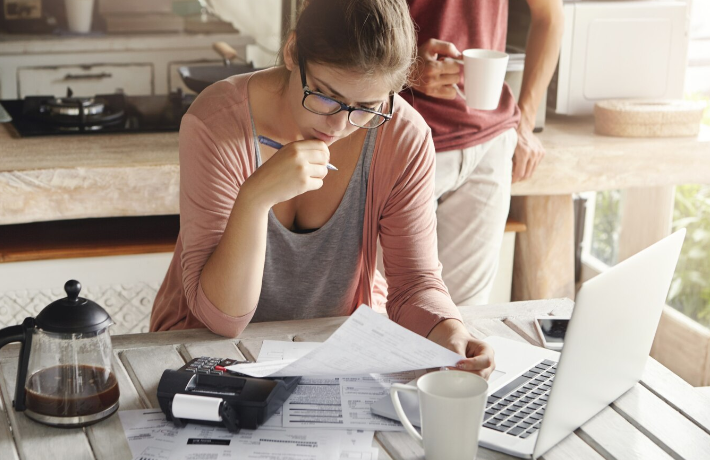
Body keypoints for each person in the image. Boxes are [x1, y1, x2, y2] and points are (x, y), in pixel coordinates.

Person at [150, 0, 494, 378]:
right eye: (326, 96)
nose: (339, 125)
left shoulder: (402, 137)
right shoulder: (215, 122)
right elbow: (222, 318)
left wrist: (450, 331)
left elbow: (414, 283)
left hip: (334, 354)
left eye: (366, 107)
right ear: (293, 51)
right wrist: (255, 198)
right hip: (201, 351)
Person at [402, 0, 564, 306]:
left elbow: (550, 16)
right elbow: (335, 23)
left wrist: (525, 122)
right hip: (401, 140)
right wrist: (403, 69)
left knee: (467, 323)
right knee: (388, 310)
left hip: (488, 145)